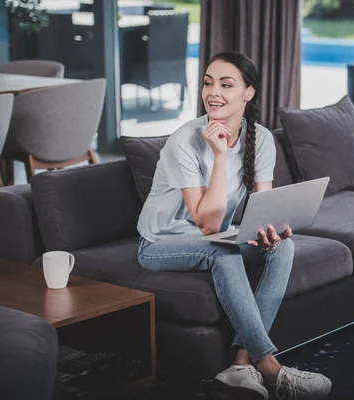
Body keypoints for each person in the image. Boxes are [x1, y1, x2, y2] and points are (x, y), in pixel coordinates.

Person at [136, 51, 332, 400]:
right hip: (159, 244)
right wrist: (221, 155)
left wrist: (271, 231)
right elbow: (208, 223)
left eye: (226, 84)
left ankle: (240, 365)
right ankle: (269, 367)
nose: (214, 92)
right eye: (209, 83)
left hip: (215, 238)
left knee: (282, 247)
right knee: (224, 255)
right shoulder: (184, 141)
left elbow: (263, 208)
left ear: (248, 93)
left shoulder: (262, 139)